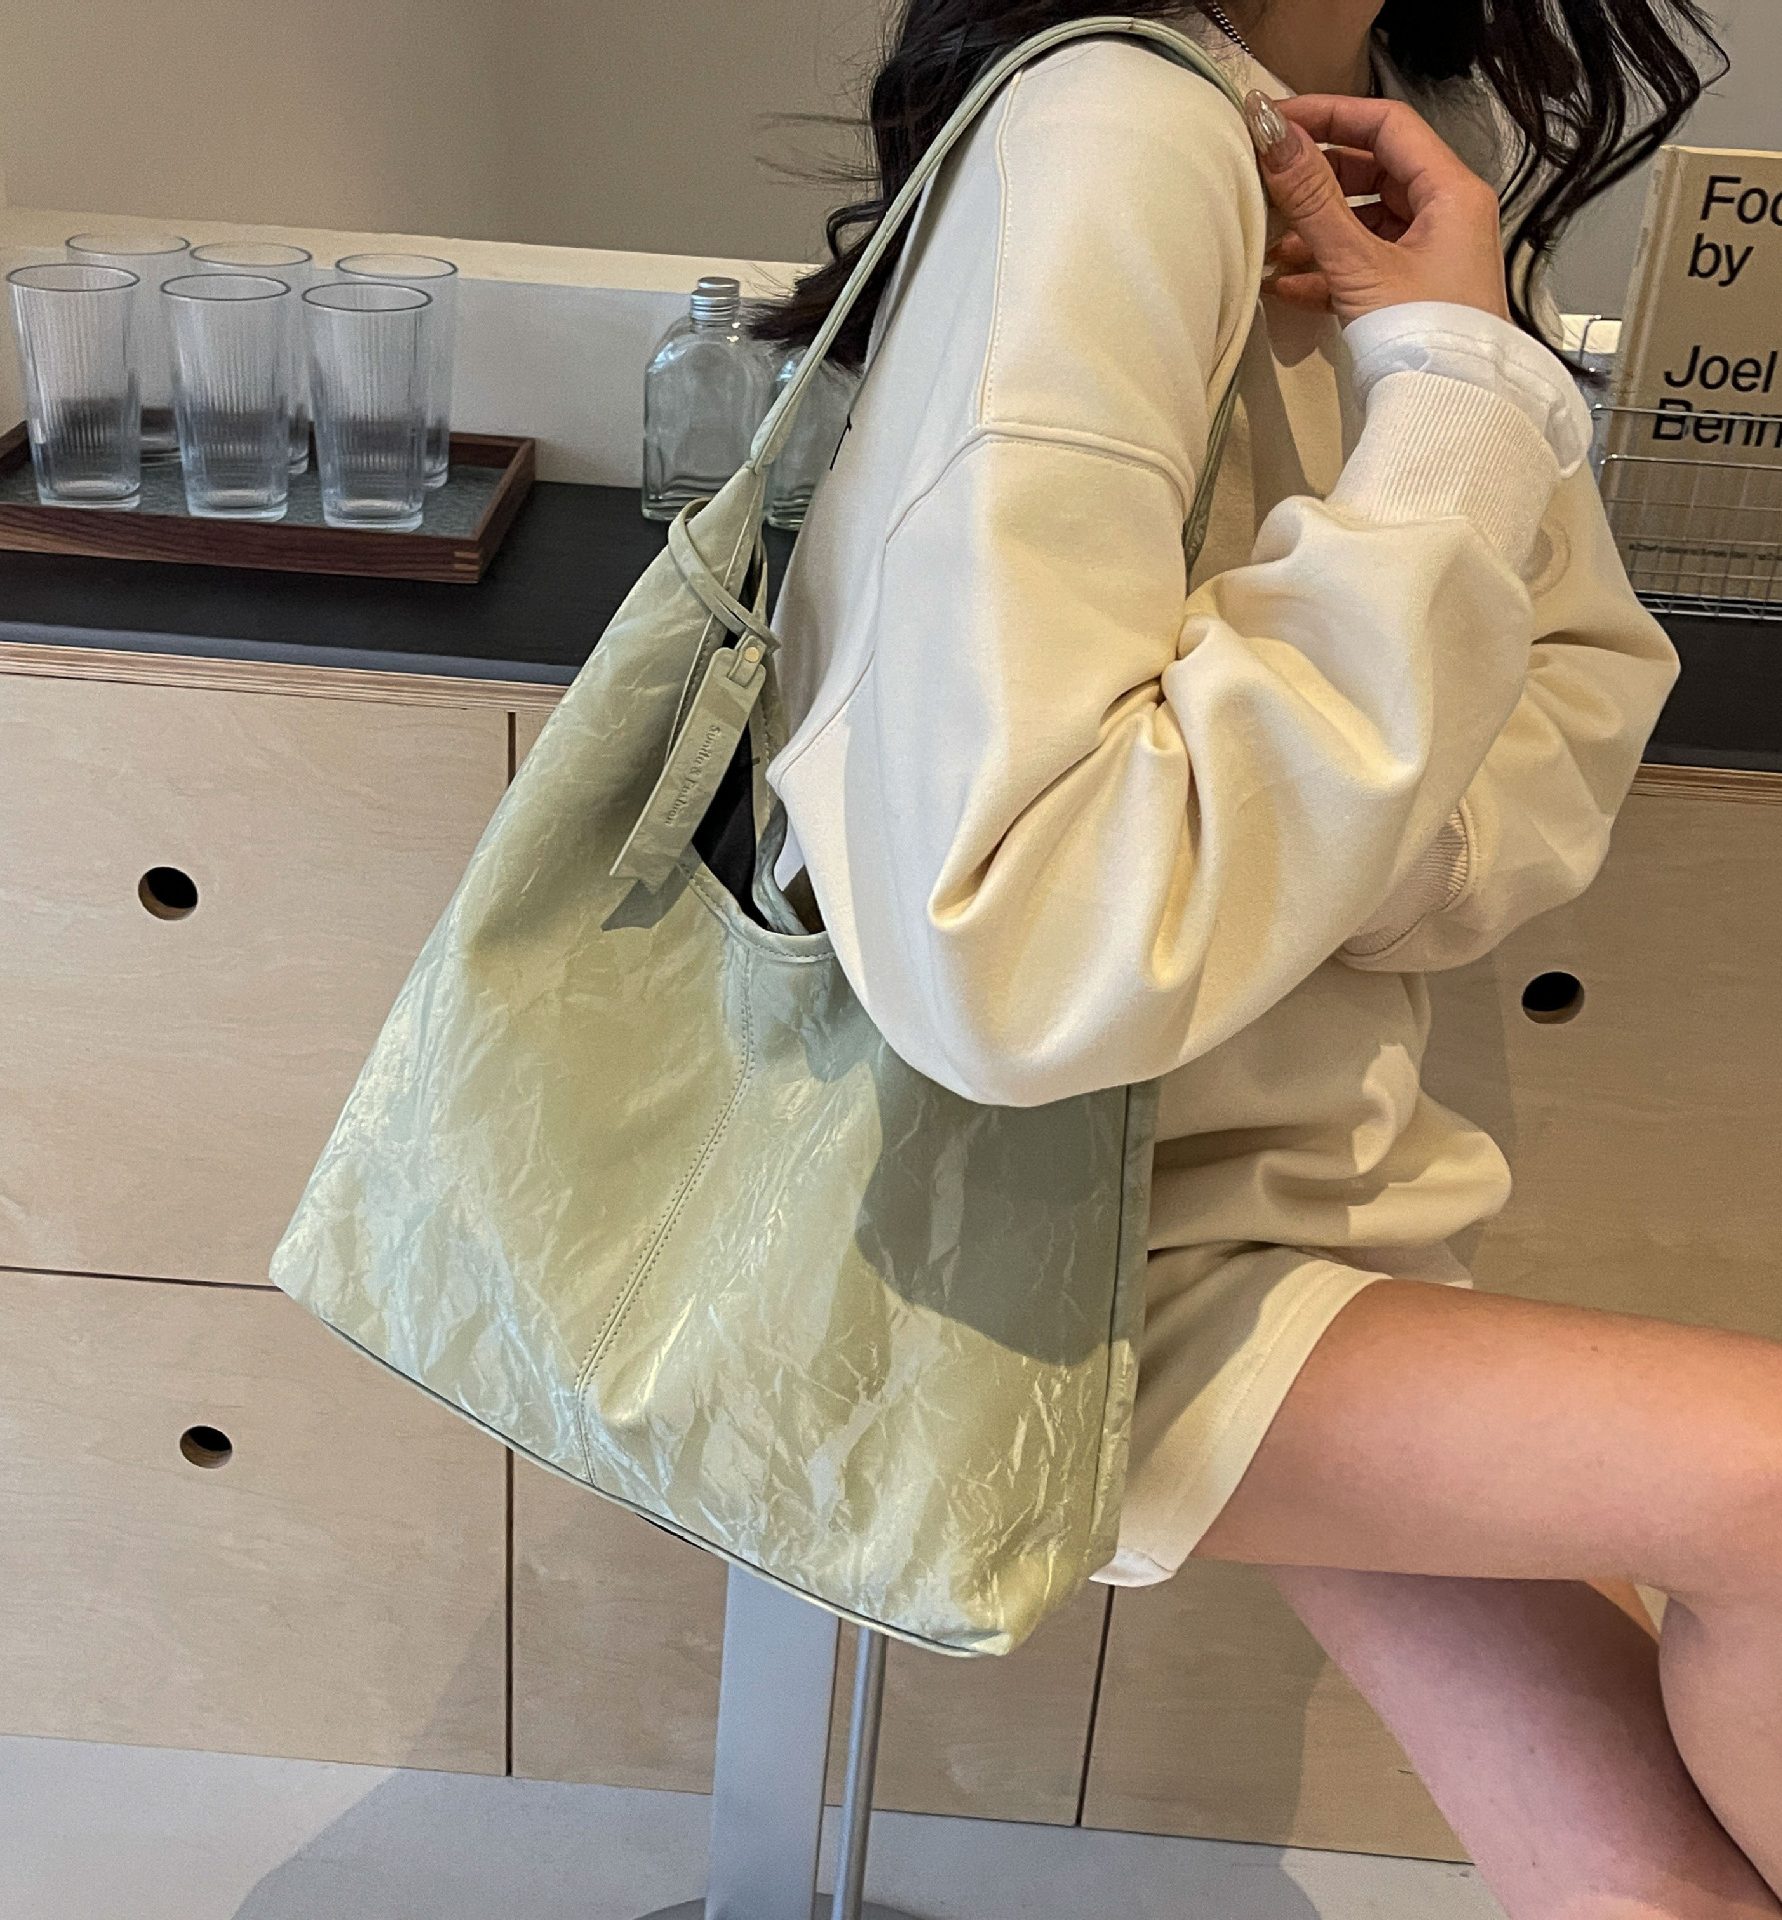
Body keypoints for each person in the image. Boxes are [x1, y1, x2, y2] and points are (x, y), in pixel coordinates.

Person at [752, 0, 1782, 1910]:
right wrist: (1458, 398)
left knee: (1647, 1886)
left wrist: (1326, 849)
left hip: (1286, 1192)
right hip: (1048, 1234)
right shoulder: (1119, 130)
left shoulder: (1407, 132)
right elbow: (1017, 947)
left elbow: (1573, 692)